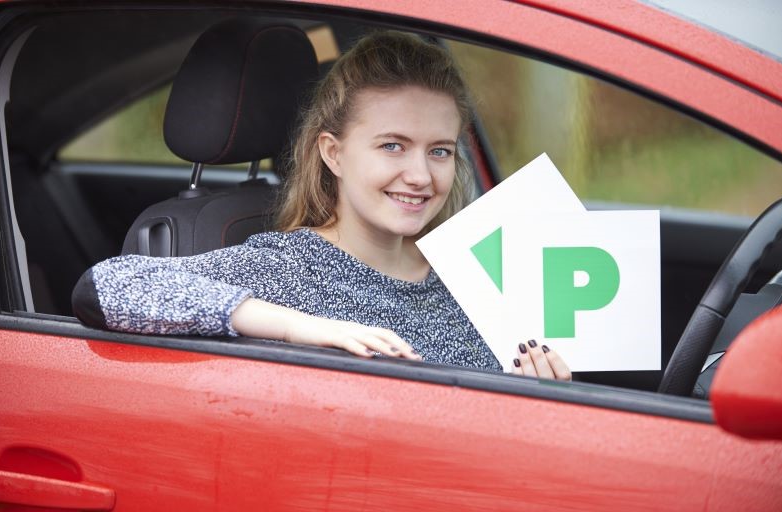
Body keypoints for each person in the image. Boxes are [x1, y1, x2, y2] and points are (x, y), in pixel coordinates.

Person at [72, 31, 571, 382]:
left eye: (439, 151)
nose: (421, 175)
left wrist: (541, 397)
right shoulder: (289, 269)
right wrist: (302, 327)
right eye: (392, 146)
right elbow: (106, 287)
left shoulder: (474, 268)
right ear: (333, 153)